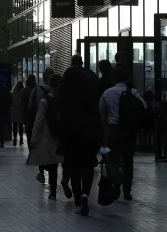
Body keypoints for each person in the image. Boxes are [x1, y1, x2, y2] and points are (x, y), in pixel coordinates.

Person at [59, 55, 101, 216]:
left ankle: (77, 200)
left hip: (71, 133)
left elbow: (60, 112)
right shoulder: (91, 83)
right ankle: (85, 194)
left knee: (74, 167)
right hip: (89, 133)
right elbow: (96, 111)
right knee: (88, 167)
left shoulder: (66, 91)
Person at [99, 67, 147, 200]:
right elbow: (144, 106)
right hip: (129, 130)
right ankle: (127, 191)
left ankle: (116, 180)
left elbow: (102, 112)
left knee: (112, 159)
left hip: (113, 130)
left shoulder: (108, 93)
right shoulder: (133, 92)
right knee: (128, 160)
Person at [27, 74, 66, 200]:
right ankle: (65, 180)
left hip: (49, 136)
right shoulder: (66, 100)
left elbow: (39, 120)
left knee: (53, 165)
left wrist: (34, 138)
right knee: (65, 162)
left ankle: (53, 193)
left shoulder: (45, 101)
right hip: (63, 136)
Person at [30, 68, 54, 183]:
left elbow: (30, 106)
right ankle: (53, 171)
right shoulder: (56, 91)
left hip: (41, 123)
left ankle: (41, 172)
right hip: (54, 124)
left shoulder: (37, 90)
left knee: (41, 148)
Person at [20, 74, 37, 147]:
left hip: (26, 114)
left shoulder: (23, 91)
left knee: (28, 133)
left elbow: (20, 103)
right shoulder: (36, 90)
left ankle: (30, 148)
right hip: (35, 114)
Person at [10, 81, 26, 146]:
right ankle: (21, 139)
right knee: (21, 126)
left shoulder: (13, 93)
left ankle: (14, 139)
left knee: (14, 125)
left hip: (14, 111)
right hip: (21, 111)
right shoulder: (23, 93)